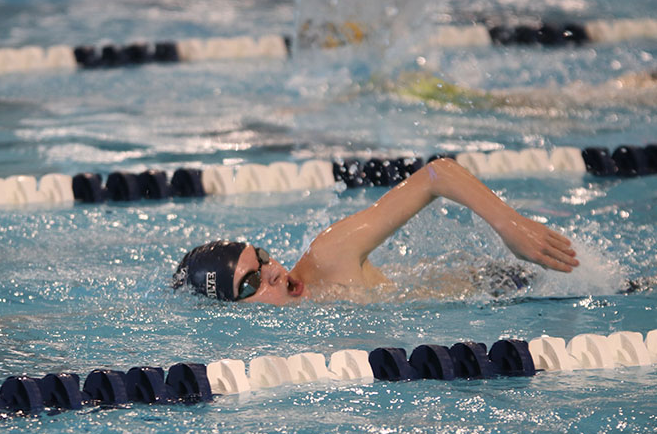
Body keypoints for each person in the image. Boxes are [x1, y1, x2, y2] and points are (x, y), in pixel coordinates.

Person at [172, 157, 579, 305]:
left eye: (261, 257)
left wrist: (511, 224)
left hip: (511, 282)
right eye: (251, 284)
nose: (273, 271)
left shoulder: (329, 256)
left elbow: (438, 174)